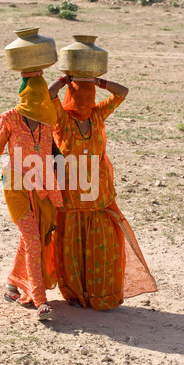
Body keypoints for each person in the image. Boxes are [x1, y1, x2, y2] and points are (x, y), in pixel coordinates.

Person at [48, 75, 157, 310]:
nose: (87, 102)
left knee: (104, 243)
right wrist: (66, 78)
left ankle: (102, 292)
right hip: (71, 198)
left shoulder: (98, 115)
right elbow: (49, 94)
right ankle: (75, 292)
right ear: (72, 97)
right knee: (72, 247)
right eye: (81, 97)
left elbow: (123, 92)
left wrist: (97, 81)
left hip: (99, 196)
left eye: (90, 97)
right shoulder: (62, 119)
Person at [0, 72, 63, 320]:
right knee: (31, 238)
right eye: (36, 94)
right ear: (25, 94)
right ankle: (40, 300)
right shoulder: (9, 119)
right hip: (16, 186)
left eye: (42, 95)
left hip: (42, 186)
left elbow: (54, 151)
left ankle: (12, 284)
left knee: (33, 237)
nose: (40, 99)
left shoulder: (46, 120)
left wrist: (62, 178)